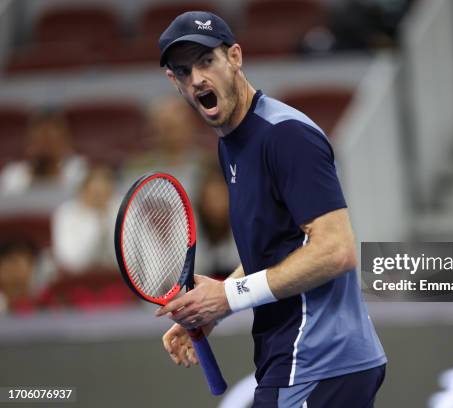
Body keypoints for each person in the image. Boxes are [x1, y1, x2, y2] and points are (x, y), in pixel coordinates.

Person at [153, 11, 386, 407]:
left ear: (236, 58)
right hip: (304, 359)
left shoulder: (286, 136)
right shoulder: (232, 142)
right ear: (174, 82)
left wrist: (230, 296)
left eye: (207, 61)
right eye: (184, 71)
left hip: (317, 360)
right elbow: (278, 249)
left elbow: (336, 250)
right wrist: (217, 306)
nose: (197, 79)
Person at [0, 110, 87, 195]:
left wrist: (54, 171)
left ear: (65, 143)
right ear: (29, 144)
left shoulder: (78, 170)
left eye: (51, 141)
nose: (45, 149)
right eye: (39, 141)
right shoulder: (12, 174)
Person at [51, 165, 118, 273]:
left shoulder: (122, 210)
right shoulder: (66, 213)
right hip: (77, 280)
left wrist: (106, 219)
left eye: (104, 193)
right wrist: (96, 219)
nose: (99, 198)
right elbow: (69, 260)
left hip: (115, 279)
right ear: (83, 190)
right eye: (95, 193)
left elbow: (127, 260)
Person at [194, 161, 240, 279]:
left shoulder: (246, 231)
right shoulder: (185, 234)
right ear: (201, 199)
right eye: (211, 198)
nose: (216, 204)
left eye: (221, 197)